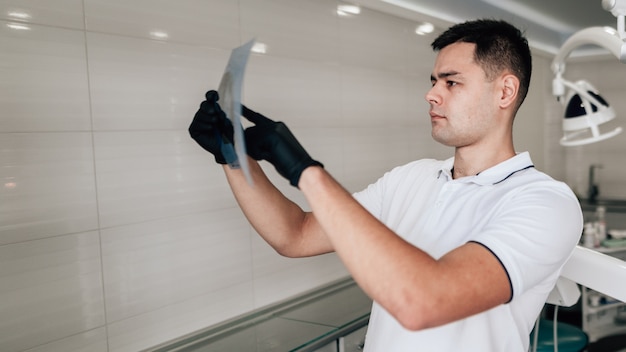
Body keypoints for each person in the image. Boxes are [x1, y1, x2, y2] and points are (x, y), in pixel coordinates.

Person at [189, 19, 583, 352]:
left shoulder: (544, 202)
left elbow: (425, 301)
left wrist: (306, 171)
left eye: (451, 83)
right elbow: (295, 235)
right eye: (433, 81)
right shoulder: (411, 178)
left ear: (505, 92)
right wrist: (233, 157)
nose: (431, 94)